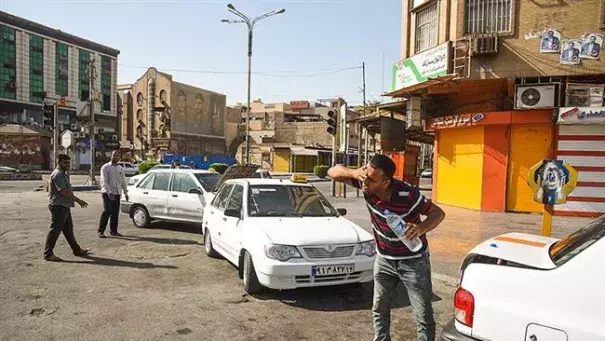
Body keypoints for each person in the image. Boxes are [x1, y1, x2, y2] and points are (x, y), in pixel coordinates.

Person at [328, 155, 446, 341]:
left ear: (386, 182)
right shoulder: (365, 184)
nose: (365, 182)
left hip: (413, 261)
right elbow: (333, 171)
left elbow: (438, 213)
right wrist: (354, 172)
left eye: (371, 179)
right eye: (365, 175)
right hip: (384, 259)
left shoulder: (408, 194)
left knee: (422, 312)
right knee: (379, 308)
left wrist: (421, 228)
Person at [44, 154, 90, 261]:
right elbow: (63, 191)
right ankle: (48, 254)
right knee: (55, 230)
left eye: (68, 163)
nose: (67, 165)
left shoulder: (63, 174)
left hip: (64, 206)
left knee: (68, 230)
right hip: (58, 206)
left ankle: (77, 250)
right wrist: (78, 200)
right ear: (59, 162)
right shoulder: (58, 174)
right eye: (65, 163)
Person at [98, 151, 129, 238]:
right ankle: (101, 231)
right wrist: (109, 192)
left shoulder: (120, 168)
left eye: (117, 156)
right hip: (107, 193)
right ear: (111, 156)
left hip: (117, 193)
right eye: (114, 155)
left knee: (115, 213)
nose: (115, 157)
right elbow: (104, 181)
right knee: (107, 211)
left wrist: (126, 192)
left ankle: (114, 231)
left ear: (119, 157)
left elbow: (123, 181)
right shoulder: (105, 167)